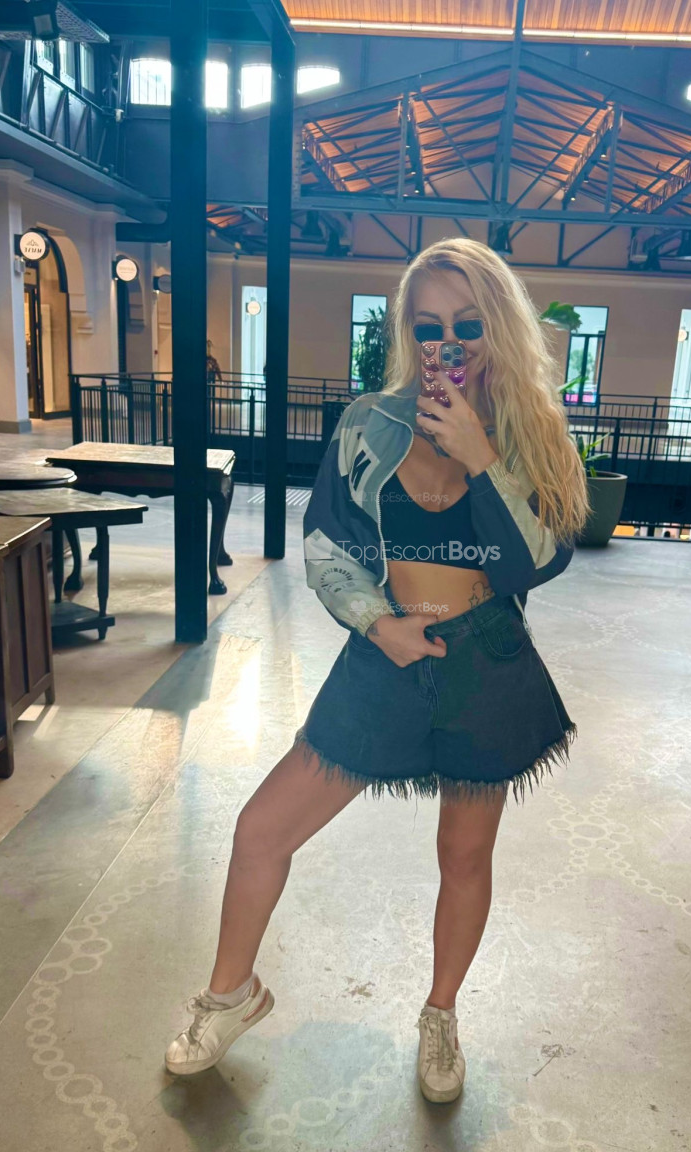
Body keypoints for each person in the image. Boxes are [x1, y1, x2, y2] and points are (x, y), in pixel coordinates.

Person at [164, 237, 592, 1103]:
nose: (447, 344)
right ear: (407, 332)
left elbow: (538, 561)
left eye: (467, 325)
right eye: (428, 327)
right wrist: (376, 623)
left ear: (499, 326)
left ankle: (440, 1014)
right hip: (385, 651)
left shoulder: (534, 432)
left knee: (463, 855)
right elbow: (327, 543)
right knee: (261, 829)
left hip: (485, 661)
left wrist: (479, 453)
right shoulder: (369, 422)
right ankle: (230, 995)